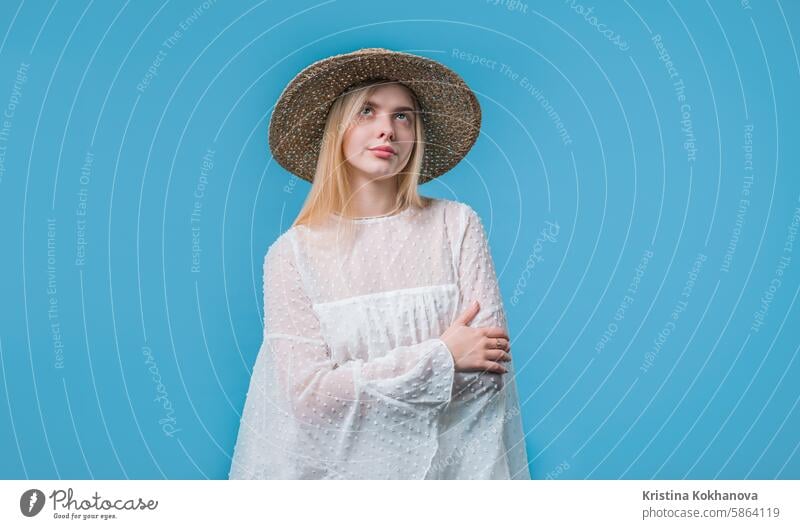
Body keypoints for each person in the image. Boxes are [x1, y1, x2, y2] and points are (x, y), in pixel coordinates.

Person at [229, 48, 530, 479]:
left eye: (402, 115)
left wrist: (361, 386)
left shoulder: (456, 226)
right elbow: (309, 398)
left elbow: (488, 375)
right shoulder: (291, 255)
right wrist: (441, 356)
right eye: (367, 111)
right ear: (337, 130)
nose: (387, 129)